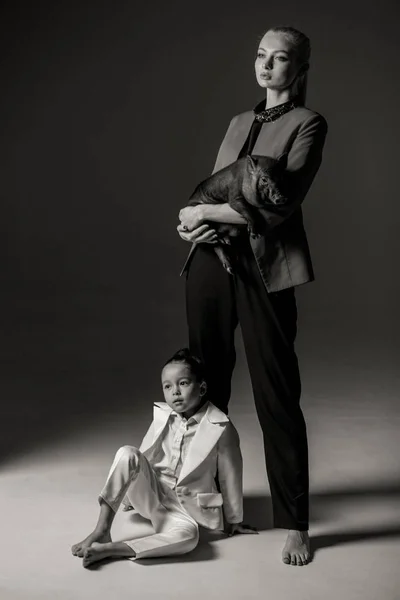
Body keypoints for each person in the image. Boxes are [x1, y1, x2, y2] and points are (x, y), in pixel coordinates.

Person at [177, 26, 328, 566]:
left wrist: (200, 213)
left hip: (266, 269)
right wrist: (193, 224)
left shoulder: (308, 123)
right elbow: (217, 189)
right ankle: (209, 505)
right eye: (261, 56)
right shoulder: (240, 121)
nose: (266, 66)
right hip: (210, 264)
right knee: (205, 388)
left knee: (276, 392)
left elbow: (278, 206)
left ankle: (297, 522)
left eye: (279, 58)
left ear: (300, 67)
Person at [71, 348, 256, 567]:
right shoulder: (163, 416)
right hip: (153, 492)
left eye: (183, 383)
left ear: (202, 388)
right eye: (168, 386)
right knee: (127, 452)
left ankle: (116, 549)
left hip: (186, 509)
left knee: (189, 538)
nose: (175, 392)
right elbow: (143, 454)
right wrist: (128, 497)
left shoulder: (221, 427)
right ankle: (102, 530)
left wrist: (235, 520)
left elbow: (230, 473)